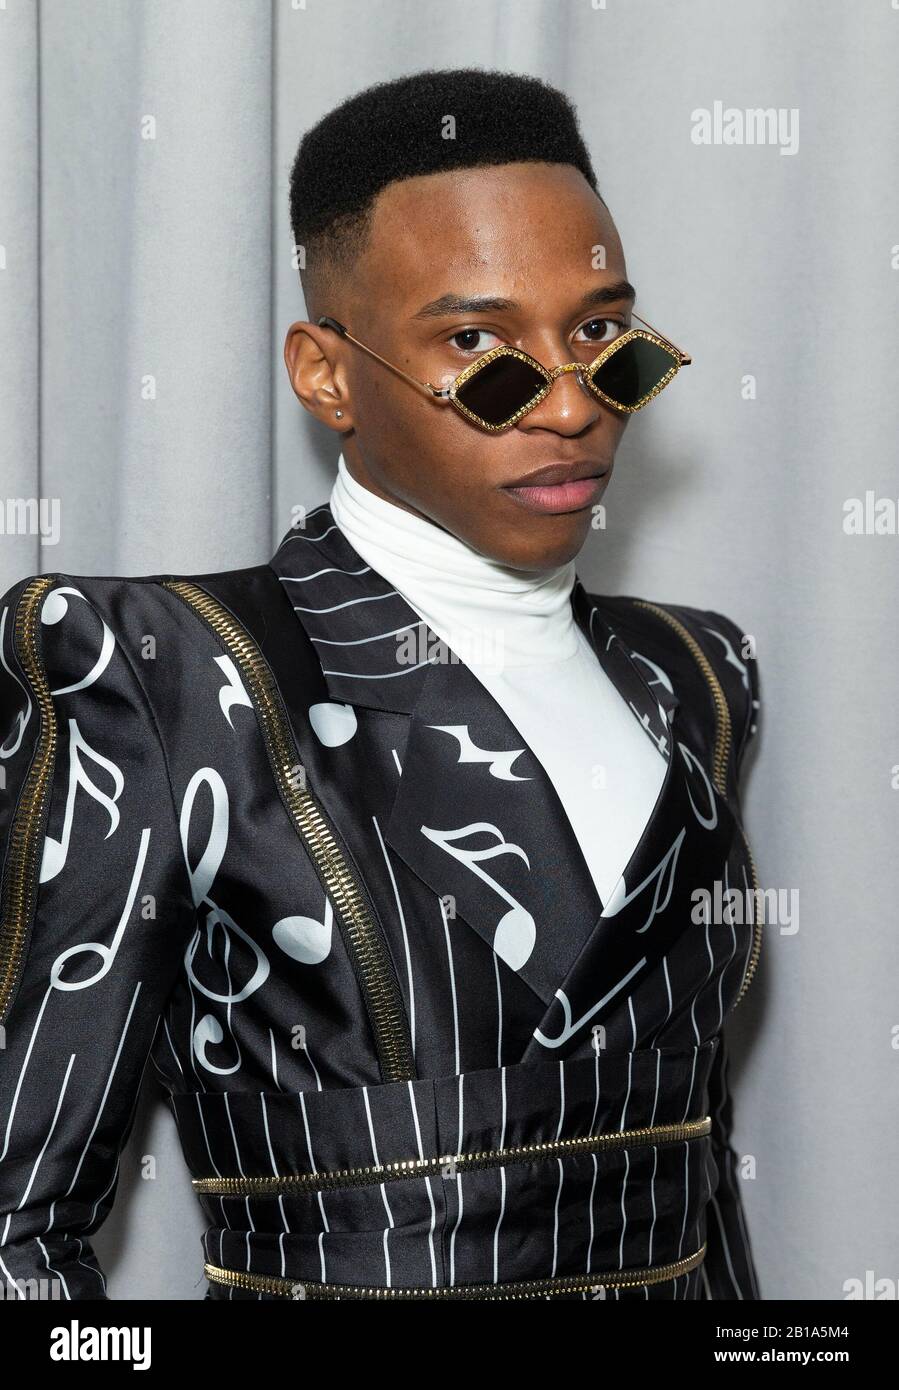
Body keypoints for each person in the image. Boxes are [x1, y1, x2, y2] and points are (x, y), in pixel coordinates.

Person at [0, 67, 762, 1301]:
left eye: (600, 337)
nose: (570, 405)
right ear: (326, 373)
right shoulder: (160, 671)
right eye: (478, 347)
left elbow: (697, 1176)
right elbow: (17, 1235)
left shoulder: (696, 676)